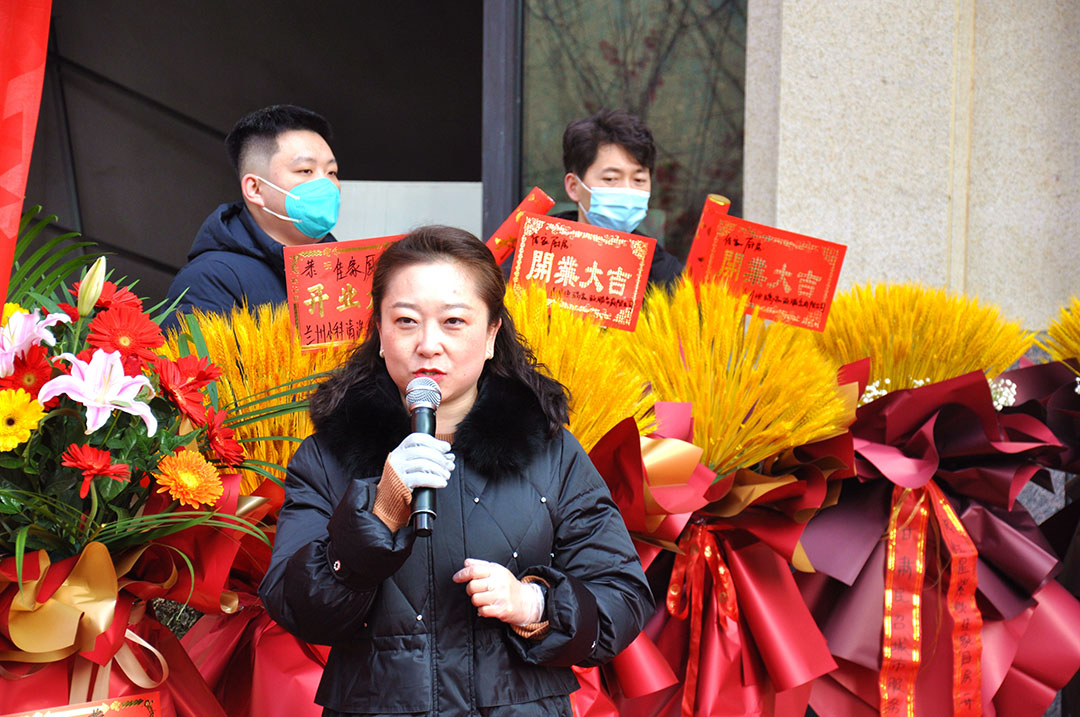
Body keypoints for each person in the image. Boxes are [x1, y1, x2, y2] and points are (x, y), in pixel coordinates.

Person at [259, 225, 652, 716]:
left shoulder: (551, 452)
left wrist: (534, 605)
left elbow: (622, 596)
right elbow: (295, 607)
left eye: (454, 322)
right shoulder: (327, 456)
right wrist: (378, 516)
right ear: (379, 333)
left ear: (491, 335)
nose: (428, 344)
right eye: (406, 321)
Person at [164, 104, 340, 328]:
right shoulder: (210, 280)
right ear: (255, 188)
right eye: (305, 170)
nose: (327, 185)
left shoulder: (344, 269)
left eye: (331, 172)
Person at [560, 108, 683, 288]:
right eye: (611, 179)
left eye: (639, 180)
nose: (627, 190)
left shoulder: (666, 276)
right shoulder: (536, 252)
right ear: (573, 186)